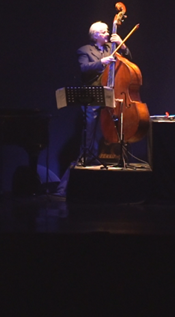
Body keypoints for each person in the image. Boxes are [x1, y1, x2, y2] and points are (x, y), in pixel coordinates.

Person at [54, 22, 132, 197]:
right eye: (104, 32)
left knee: (114, 134)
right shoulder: (84, 50)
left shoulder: (111, 48)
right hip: (93, 97)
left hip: (110, 95)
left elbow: (128, 58)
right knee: (88, 140)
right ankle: (65, 187)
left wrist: (123, 46)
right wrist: (101, 62)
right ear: (95, 35)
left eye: (107, 31)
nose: (107, 34)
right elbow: (83, 68)